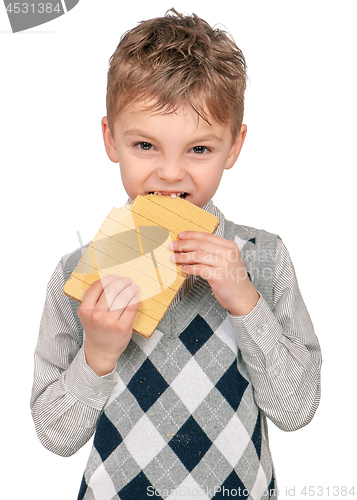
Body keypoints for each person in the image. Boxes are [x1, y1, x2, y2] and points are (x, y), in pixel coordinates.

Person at [31, 9, 322, 500]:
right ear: (111, 140)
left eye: (199, 149)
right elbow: (55, 434)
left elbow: (297, 409)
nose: (170, 173)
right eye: (146, 144)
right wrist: (99, 354)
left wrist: (245, 301)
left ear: (234, 146)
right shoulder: (79, 272)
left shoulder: (264, 258)